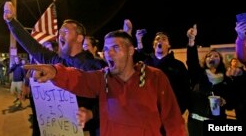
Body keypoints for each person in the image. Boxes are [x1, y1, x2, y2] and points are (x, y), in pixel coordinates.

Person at [24, 30, 187, 136]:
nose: (108, 53)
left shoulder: (155, 77)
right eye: (106, 48)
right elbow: (80, 78)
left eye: (115, 47)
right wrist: (55, 72)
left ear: (131, 51)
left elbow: (173, 121)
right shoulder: (102, 78)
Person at [4, 1, 104, 136]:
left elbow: (110, 102)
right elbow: (32, 46)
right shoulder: (55, 61)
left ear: (79, 38)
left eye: (65, 31)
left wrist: (92, 114)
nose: (59, 35)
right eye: (59, 32)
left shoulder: (97, 66)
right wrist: (11, 22)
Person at [186, 24, 232, 136]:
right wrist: (191, 40)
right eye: (209, 56)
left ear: (220, 61)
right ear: (205, 60)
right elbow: (192, 61)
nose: (212, 57)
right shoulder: (198, 74)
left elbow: (233, 99)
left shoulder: (226, 79)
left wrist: (225, 101)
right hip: (196, 123)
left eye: (216, 56)